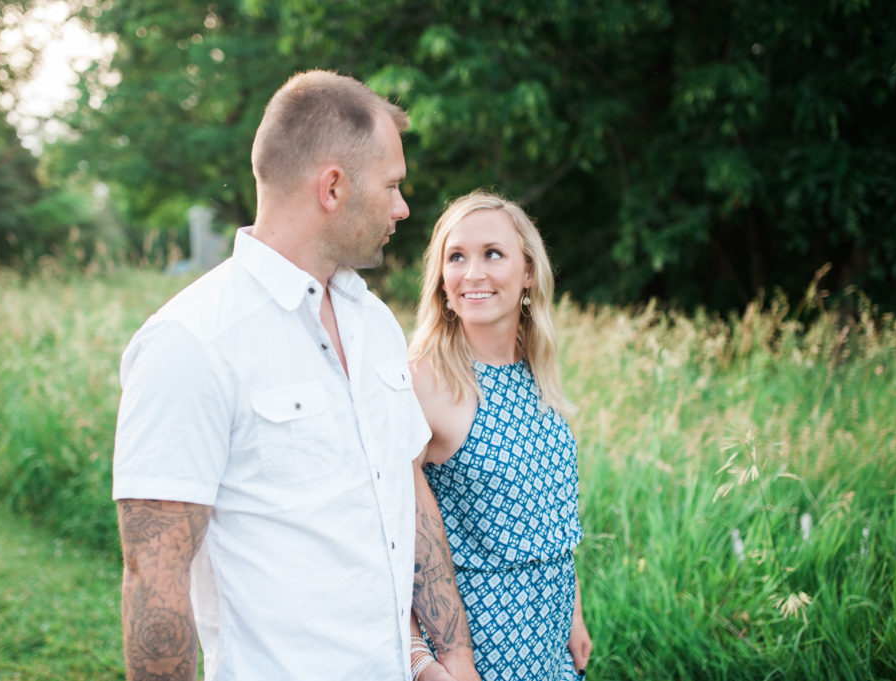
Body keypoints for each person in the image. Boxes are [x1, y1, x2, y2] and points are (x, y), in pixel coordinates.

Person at [112, 70, 478, 681]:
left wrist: (452, 654)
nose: (403, 207)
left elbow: (408, 490)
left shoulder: (378, 324)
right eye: (392, 186)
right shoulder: (191, 342)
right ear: (333, 186)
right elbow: (155, 575)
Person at [407, 190, 592, 680]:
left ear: (528, 272)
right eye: (456, 257)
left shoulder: (535, 369)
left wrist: (573, 611)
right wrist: (422, 660)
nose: (473, 273)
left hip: (552, 653)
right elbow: (388, 533)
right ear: (442, 280)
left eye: (493, 253)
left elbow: (547, 515)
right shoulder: (425, 382)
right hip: (477, 657)